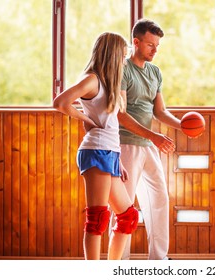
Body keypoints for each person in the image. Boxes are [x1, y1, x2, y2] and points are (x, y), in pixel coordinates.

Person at [53, 32, 138, 260]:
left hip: (109, 153)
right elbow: (60, 102)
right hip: (95, 151)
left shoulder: (109, 83)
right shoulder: (92, 79)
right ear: (111, 55)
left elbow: (111, 126)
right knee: (97, 219)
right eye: (122, 56)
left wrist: (117, 160)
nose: (124, 61)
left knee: (128, 217)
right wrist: (87, 120)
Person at [117, 19, 182, 260]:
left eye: (157, 45)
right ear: (136, 42)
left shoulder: (155, 72)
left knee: (159, 199)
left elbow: (160, 111)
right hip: (126, 145)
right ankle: (120, 261)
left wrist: (182, 124)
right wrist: (154, 136)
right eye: (151, 45)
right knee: (124, 206)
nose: (155, 50)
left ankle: (159, 259)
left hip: (147, 145)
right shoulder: (122, 69)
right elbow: (120, 114)